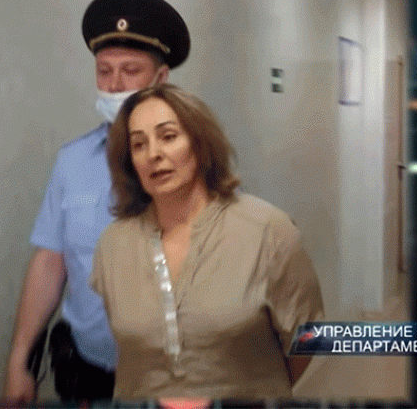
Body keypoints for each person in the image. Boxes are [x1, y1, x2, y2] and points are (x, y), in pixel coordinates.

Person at [3, 0, 191, 404]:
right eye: (104, 71)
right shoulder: (72, 162)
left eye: (130, 70)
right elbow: (50, 261)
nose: (115, 84)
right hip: (90, 375)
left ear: (161, 79)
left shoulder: (197, 160)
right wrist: (19, 361)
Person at [91, 83, 324, 400]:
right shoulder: (114, 245)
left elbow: (308, 337)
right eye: (139, 144)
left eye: (168, 136)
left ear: (200, 145)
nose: (153, 154)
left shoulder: (267, 230)